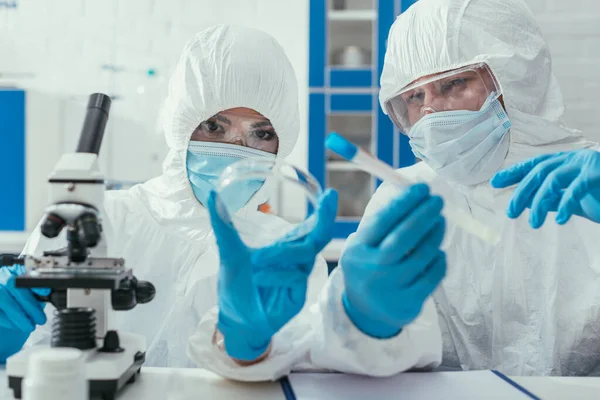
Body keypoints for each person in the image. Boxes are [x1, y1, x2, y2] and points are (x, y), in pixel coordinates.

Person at [0, 24, 446, 381]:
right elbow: (29, 352)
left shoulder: (285, 252)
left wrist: (251, 345)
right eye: (213, 126)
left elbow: (302, 370)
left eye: (261, 133)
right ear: (180, 123)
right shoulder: (102, 218)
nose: (237, 148)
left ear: (281, 145)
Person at [344, 0, 600, 376]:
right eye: (415, 96)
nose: (431, 111)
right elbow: (354, 362)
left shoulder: (588, 183)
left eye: (453, 84)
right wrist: (361, 317)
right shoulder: (403, 197)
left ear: (513, 79)